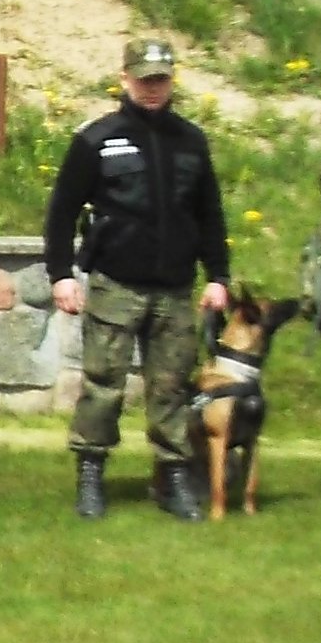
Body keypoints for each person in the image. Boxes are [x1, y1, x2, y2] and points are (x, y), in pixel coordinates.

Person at [42, 33, 232, 522]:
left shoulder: (191, 141)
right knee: (103, 385)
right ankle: (91, 474)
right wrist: (61, 274)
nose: (152, 88)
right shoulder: (97, 139)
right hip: (116, 284)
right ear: (124, 79)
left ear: (172, 81)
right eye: (144, 79)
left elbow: (209, 214)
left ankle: (173, 478)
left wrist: (218, 276)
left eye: (161, 80)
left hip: (174, 288)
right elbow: (61, 212)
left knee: (171, 387)